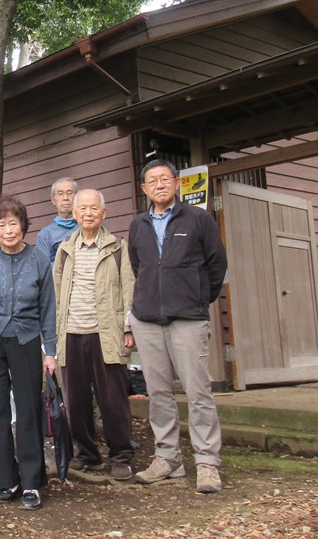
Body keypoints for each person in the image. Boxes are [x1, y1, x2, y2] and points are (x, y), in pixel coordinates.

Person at [128, 160, 227, 493]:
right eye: (152, 181)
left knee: (198, 393)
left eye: (165, 179)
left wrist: (197, 300)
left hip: (187, 318)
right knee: (158, 394)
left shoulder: (198, 219)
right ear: (144, 188)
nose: (159, 185)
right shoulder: (138, 224)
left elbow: (217, 265)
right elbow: (138, 265)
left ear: (176, 183)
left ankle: (207, 463)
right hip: (148, 320)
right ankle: (168, 459)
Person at [0, 196, 58, 510]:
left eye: (13, 223)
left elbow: (48, 310)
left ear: (23, 226)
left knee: (29, 409)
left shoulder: (39, 259)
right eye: (1, 224)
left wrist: (51, 351)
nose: (8, 230)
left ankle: (31, 482)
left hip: (27, 340)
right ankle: (6, 480)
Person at [53, 189, 135, 481]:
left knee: (112, 399)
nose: (88, 213)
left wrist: (128, 328)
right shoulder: (64, 250)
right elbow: (55, 294)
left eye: (94, 208)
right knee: (75, 400)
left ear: (104, 213)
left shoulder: (117, 248)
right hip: (71, 333)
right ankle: (87, 454)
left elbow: (129, 290)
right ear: (74, 214)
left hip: (105, 333)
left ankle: (121, 456)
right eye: (82, 209)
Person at [36, 178, 79, 265]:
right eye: (60, 194)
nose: (65, 198)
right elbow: (44, 270)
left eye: (70, 193)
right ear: (53, 200)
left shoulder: (87, 227)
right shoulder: (45, 235)